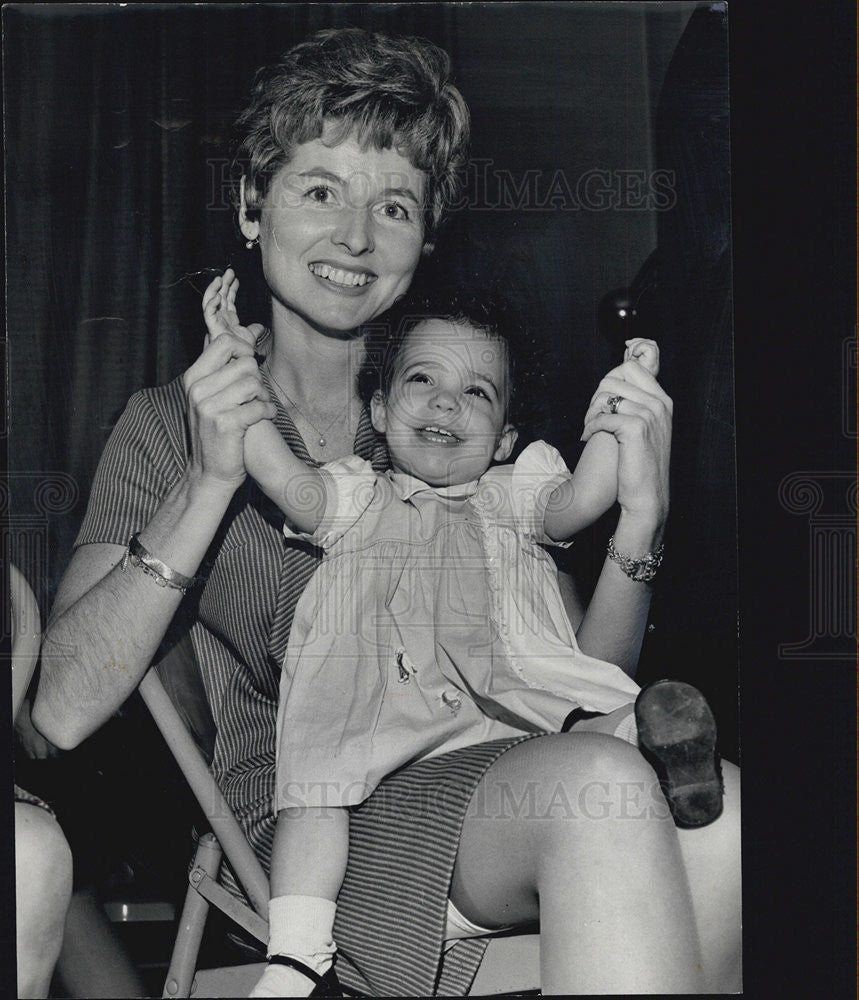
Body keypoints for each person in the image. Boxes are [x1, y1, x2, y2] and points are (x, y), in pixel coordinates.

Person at [34, 27, 741, 995]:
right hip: (310, 830)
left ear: (426, 238)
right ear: (251, 204)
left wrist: (637, 526)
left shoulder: (448, 415)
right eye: (320, 190)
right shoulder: (167, 426)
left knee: (725, 811)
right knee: (605, 791)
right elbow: (60, 716)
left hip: (499, 776)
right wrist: (208, 480)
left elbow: (580, 682)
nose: (357, 238)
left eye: (394, 205)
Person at [202, 274, 722, 997]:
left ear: (505, 435)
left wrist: (614, 411)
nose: (448, 401)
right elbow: (283, 477)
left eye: (478, 391)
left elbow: (582, 500)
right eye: (423, 380)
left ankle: (659, 742)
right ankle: (296, 953)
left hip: (501, 705)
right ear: (379, 411)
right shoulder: (356, 493)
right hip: (379, 704)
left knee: (587, 718)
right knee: (316, 786)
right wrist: (237, 373)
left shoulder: (510, 493)